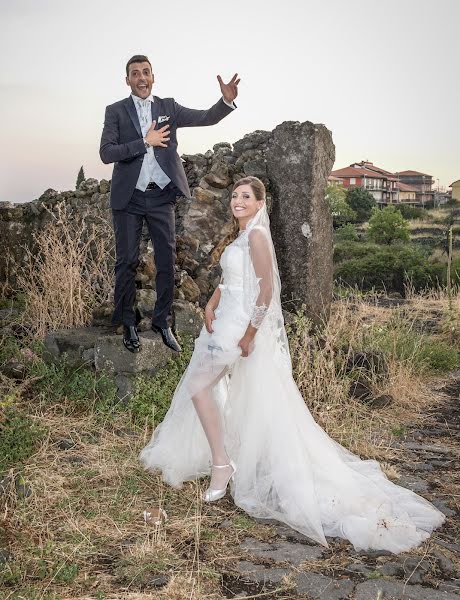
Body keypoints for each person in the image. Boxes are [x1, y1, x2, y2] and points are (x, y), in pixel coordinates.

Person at [139, 176, 445, 553]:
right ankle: (226, 457)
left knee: (199, 387)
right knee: (210, 389)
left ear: (259, 203)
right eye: (234, 195)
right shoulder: (240, 236)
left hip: (240, 328)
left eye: (245, 197)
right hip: (225, 320)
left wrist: (249, 334)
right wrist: (211, 301)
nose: (237, 201)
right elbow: (233, 278)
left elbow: (266, 289)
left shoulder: (257, 237)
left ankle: (223, 463)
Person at [100, 54, 239, 353]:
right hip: (129, 197)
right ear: (127, 80)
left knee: (167, 260)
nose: (141, 77)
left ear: (153, 77)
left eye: (146, 72)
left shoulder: (168, 107)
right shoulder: (115, 111)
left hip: (161, 195)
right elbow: (106, 152)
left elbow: (205, 117)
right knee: (126, 262)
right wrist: (144, 142)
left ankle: (163, 322)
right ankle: (128, 321)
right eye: (135, 73)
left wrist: (224, 102)